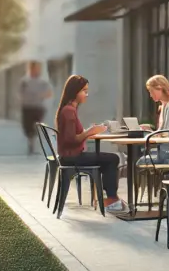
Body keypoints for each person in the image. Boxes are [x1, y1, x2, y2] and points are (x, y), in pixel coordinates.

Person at [54, 75, 128, 213]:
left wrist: (89, 131)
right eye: (84, 90)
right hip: (72, 157)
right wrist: (89, 132)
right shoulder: (68, 111)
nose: (86, 94)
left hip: (70, 155)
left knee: (108, 159)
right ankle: (111, 199)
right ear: (74, 91)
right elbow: (70, 140)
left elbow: (73, 136)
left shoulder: (69, 109)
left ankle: (109, 198)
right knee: (113, 159)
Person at [138, 75, 169, 167]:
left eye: (151, 91)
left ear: (160, 88)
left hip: (167, 155)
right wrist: (151, 130)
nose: (150, 95)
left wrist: (152, 134)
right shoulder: (164, 106)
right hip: (166, 152)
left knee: (141, 162)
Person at [20, 61, 54, 155]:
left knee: (37, 127)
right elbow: (20, 93)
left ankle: (35, 146)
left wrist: (41, 95)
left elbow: (49, 93)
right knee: (28, 128)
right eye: (33, 68)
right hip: (27, 107)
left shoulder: (43, 82)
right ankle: (31, 144)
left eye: (37, 68)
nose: (35, 70)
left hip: (38, 107)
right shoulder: (25, 81)